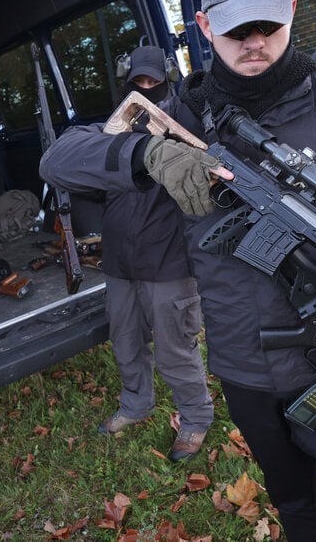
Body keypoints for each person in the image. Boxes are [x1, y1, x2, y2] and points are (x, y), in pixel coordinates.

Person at [40, 0, 316, 540]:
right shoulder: (181, 115)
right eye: (234, 27)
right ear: (202, 26)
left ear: (292, 11)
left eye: (267, 24)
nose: (253, 41)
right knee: (296, 506)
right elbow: (60, 159)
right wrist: (148, 155)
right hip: (244, 364)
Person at [42, 45, 214, 462]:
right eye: (139, 82)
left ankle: (194, 420)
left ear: (168, 78)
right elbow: (63, 163)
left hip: (169, 262)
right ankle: (136, 405)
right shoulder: (116, 127)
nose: (147, 88)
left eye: (154, 81)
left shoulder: (189, 126)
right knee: (125, 342)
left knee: (176, 350)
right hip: (120, 261)